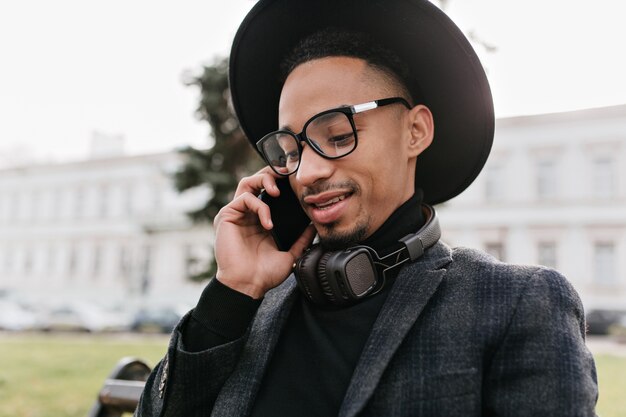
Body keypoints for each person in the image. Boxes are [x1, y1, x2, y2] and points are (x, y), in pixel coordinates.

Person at [136, 0, 598, 416]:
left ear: (415, 131)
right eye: (291, 148)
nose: (306, 173)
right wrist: (232, 292)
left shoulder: (516, 304)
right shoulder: (249, 307)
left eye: (337, 135)